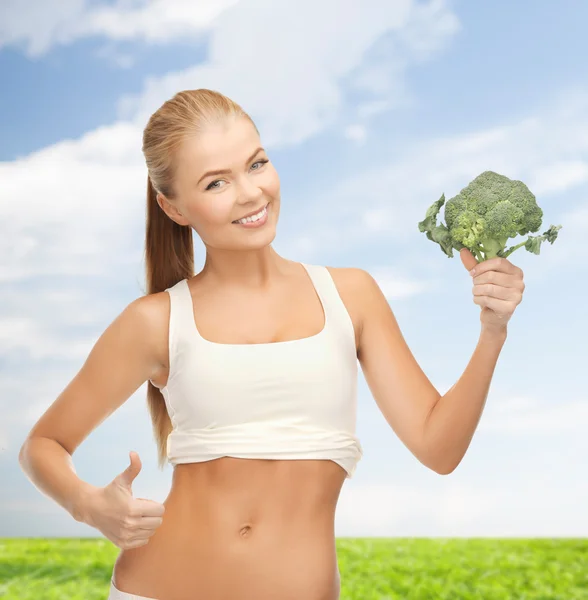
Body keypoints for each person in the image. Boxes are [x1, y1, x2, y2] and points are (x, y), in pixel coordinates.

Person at [18, 88, 481, 600]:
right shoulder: (155, 322)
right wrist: (89, 505)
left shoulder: (352, 296)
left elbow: (439, 449)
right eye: (216, 182)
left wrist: (494, 328)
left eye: (256, 164)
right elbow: (43, 445)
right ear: (172, 208)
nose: (249, 193)